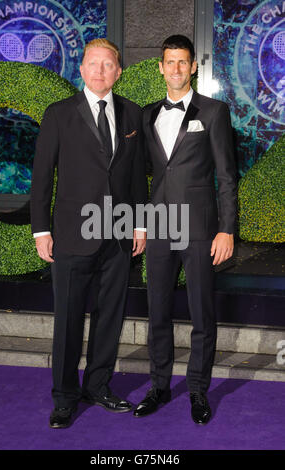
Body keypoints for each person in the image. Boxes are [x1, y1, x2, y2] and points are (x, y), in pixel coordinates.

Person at [31, 38, 147, 429]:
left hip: (116, 236)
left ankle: (98, 386)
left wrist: (141, 224)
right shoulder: (59, 114)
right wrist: (41, 230)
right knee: (67, 320)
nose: (100, 71)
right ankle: (64, 397)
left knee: (110, 317)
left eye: (107, 65)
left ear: (118, 71)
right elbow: (42, 178)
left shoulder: (131, 115)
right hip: (71, 237)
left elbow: (135, 179)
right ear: (80, 70)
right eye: (93, 64)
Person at [133, 35, 237, 424]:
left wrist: (226, 230)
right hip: (159, 227)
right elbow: (140, 177)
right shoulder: (146, 115)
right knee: (157, 311)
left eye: (183, 62)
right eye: (169, 62)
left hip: (199, 229)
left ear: (193, 66)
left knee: (201, 314)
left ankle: (197, 390)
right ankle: (159, 386)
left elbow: (227, 176)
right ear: (160, 67)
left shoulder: (214, 111)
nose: (176, 68)